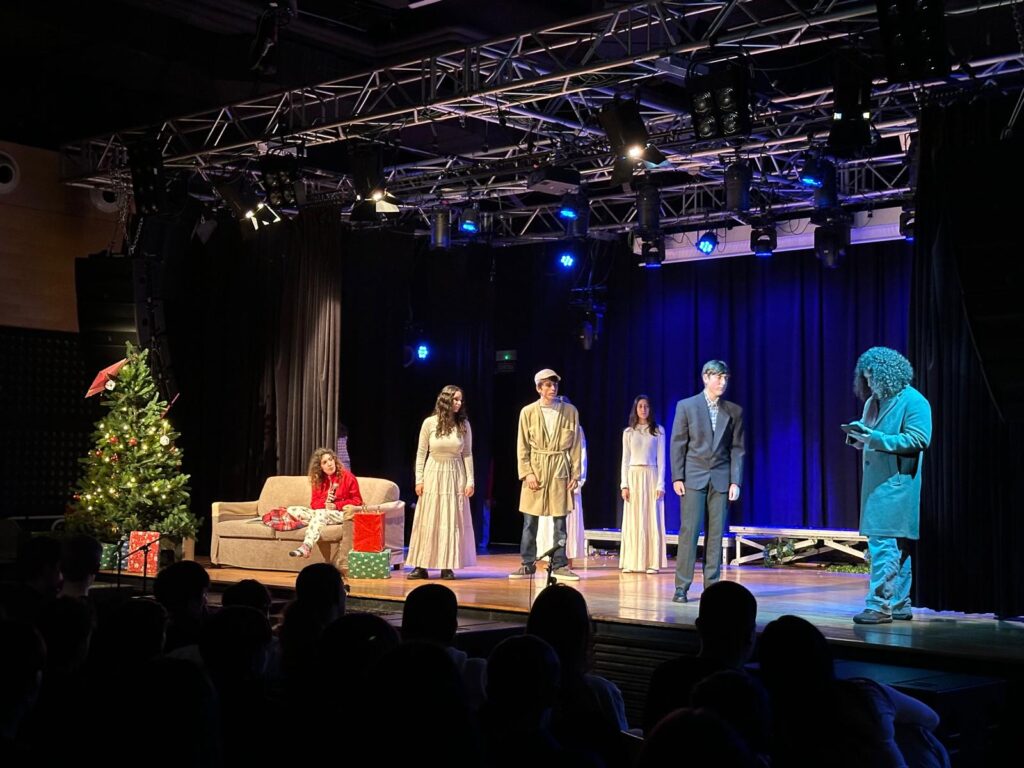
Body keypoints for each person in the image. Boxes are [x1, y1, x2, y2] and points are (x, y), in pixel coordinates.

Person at [846, 347, 932, 625]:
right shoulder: (873, 402)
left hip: (896, 485)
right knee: (896, 546)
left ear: (888, 375)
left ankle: (878, 606)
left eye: (872, 377)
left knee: (884, 544)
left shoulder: (914, 401)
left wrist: (874, 438)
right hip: (876, 484)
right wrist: (858, 436)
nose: (869, 383)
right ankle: (899, 603)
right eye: (866, 378)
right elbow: (870, 435)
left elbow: (918, 439)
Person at [670, 360, 745, 603]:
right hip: (694, 476)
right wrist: (677, 476)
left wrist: (735, 481)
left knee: (715, 535)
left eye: (725, 378)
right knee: (689, 532)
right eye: (718, 377)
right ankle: (681, 586)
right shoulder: (687, 406)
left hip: (721, 478)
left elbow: (737, 449)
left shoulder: (733, 411)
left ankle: (712, 587)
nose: (722, 382)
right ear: (706, 377)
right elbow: (678, 443)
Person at [510, 369, 583, 582]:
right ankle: (527, 564)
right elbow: (522, 445)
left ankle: (560, 564)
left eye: (555, 385)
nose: (553, 389)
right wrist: (527, 473)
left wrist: (575, 473)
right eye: (548, 385)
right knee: (530, 521)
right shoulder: (528, 412)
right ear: (538, 388)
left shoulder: (570, 411)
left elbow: (576, 445)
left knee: (560, 521)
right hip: (536, 468)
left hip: (559, 468)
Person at [407, 385, 477, 580]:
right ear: (445, 400)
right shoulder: (429, 423)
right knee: (429, 519)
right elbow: (421, 453)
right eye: (455, 399)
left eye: (460, 400)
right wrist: (419, 479)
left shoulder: (463, 424)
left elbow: (467, 453)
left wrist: (470, 480)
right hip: (433, 473)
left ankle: (447, 565)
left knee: (450, 519)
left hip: (455, 474)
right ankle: (421, 565)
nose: (459, 403)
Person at [537, 396, 587, 568]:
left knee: (568, 521)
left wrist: (578, 480)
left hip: (568, 480)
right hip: (551, 479)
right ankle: (548, 556)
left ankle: (567, 558)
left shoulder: (577, 429)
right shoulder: (549, 426)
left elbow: (581, 456)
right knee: (549, 520)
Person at [620, 394, 667, 574]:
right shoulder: (628, 432)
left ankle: (651, 562)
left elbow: (662, 460)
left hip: (651, 476)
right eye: (640, 406)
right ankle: (632, 562)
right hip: (633, 476)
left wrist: (660, 484)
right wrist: (624, 485)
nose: (643, 409)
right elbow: (625, 460)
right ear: (636, 408)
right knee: (633, 520)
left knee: (651, 519)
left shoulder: (658, 431)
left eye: (646, 406)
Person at [287, 447, 363, 559]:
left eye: (331, 459)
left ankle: (306, 546)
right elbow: (314, 504)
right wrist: (325, 502)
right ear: (320, 467)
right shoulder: (318, 480)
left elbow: (357, 501)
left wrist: (336, 505)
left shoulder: (348, 477)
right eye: (325, 462)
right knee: (292, 510)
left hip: (342, 513)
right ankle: (317, 521)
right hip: (323, 512)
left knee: (320, 514)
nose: (329, 464)